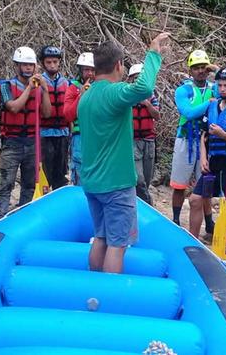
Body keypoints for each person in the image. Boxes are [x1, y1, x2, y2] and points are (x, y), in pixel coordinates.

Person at [79, 33, 169, 273]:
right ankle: (109, 298)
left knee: (101, 237)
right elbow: (145, 87)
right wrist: (153, 54)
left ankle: (95, 288)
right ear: (119, 65)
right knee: (118, 244)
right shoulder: (114, 93)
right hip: (116, 185)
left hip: (92, 183)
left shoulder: (85, 97)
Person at [189, 66, 226, 243]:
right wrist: (203, 156)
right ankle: (192, 240)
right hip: (213, 161)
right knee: (195, 200)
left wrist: (225, 135)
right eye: (220, 85)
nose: (222, 88)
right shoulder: (211, 106)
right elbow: (204, 134)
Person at [0, 46, 51, 218]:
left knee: (29, 184)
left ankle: (24, 215)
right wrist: (29, 88)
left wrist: (45, 90)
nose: (28, 68)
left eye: (31, 65)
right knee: (7, 183)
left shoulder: (40, 88)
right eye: (24, 65)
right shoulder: (6, 86)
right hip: (12, 142)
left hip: (32, 141)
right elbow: (13, 107)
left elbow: (47, 113)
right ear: (17, 66)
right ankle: (0, 217)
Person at [170, 50, 218, 236]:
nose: (200, 71)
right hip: (186, 139)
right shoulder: (183, 90)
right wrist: (210, 103)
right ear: (190, 70)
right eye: (196, 68)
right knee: (179, 184)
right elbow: (188, 113)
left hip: (207, 140)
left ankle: (209, 222)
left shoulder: (215, 87)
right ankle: (175, 219)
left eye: (203, 68)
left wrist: (217, 70)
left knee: (204, 183)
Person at [128, 63, 160, 204]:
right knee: (138, 178)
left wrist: (147, 103)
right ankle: (147, 203)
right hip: (133, 141)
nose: (137, 81)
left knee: (146, 179)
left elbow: (157, 115)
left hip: (149, 141)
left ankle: (142, 205)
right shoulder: (127, 97)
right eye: (135, 78)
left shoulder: (151, 96)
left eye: (139, 78)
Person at [38, 46, 70, 190]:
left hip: (63, 134)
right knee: (46, 173)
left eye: (55, 62)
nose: (52, 65)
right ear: (43, 63)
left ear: (59, 63)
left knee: (61, 174)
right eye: (49, 62)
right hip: (45, 134)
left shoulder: (66, 83)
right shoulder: (38, 83)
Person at [64, 52, 95, 185]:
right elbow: (68, 115)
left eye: (93, 70)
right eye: (86, 70)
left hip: (98, 136)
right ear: (81, 71)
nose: (90, 73)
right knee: (80, 174)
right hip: (80, 137)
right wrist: (81, 95)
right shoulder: (73, 88)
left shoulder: (103, 88)